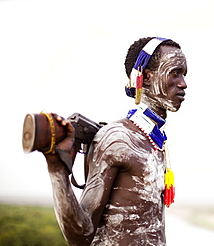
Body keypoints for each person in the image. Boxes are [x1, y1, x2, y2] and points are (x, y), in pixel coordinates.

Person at [43, 37, 188, 246]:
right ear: (146, 78)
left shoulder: (153, 140)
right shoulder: (117, 139)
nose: (183, 83)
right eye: (174, 73)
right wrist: (57, 168)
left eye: (183, 74)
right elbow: (80, 236)